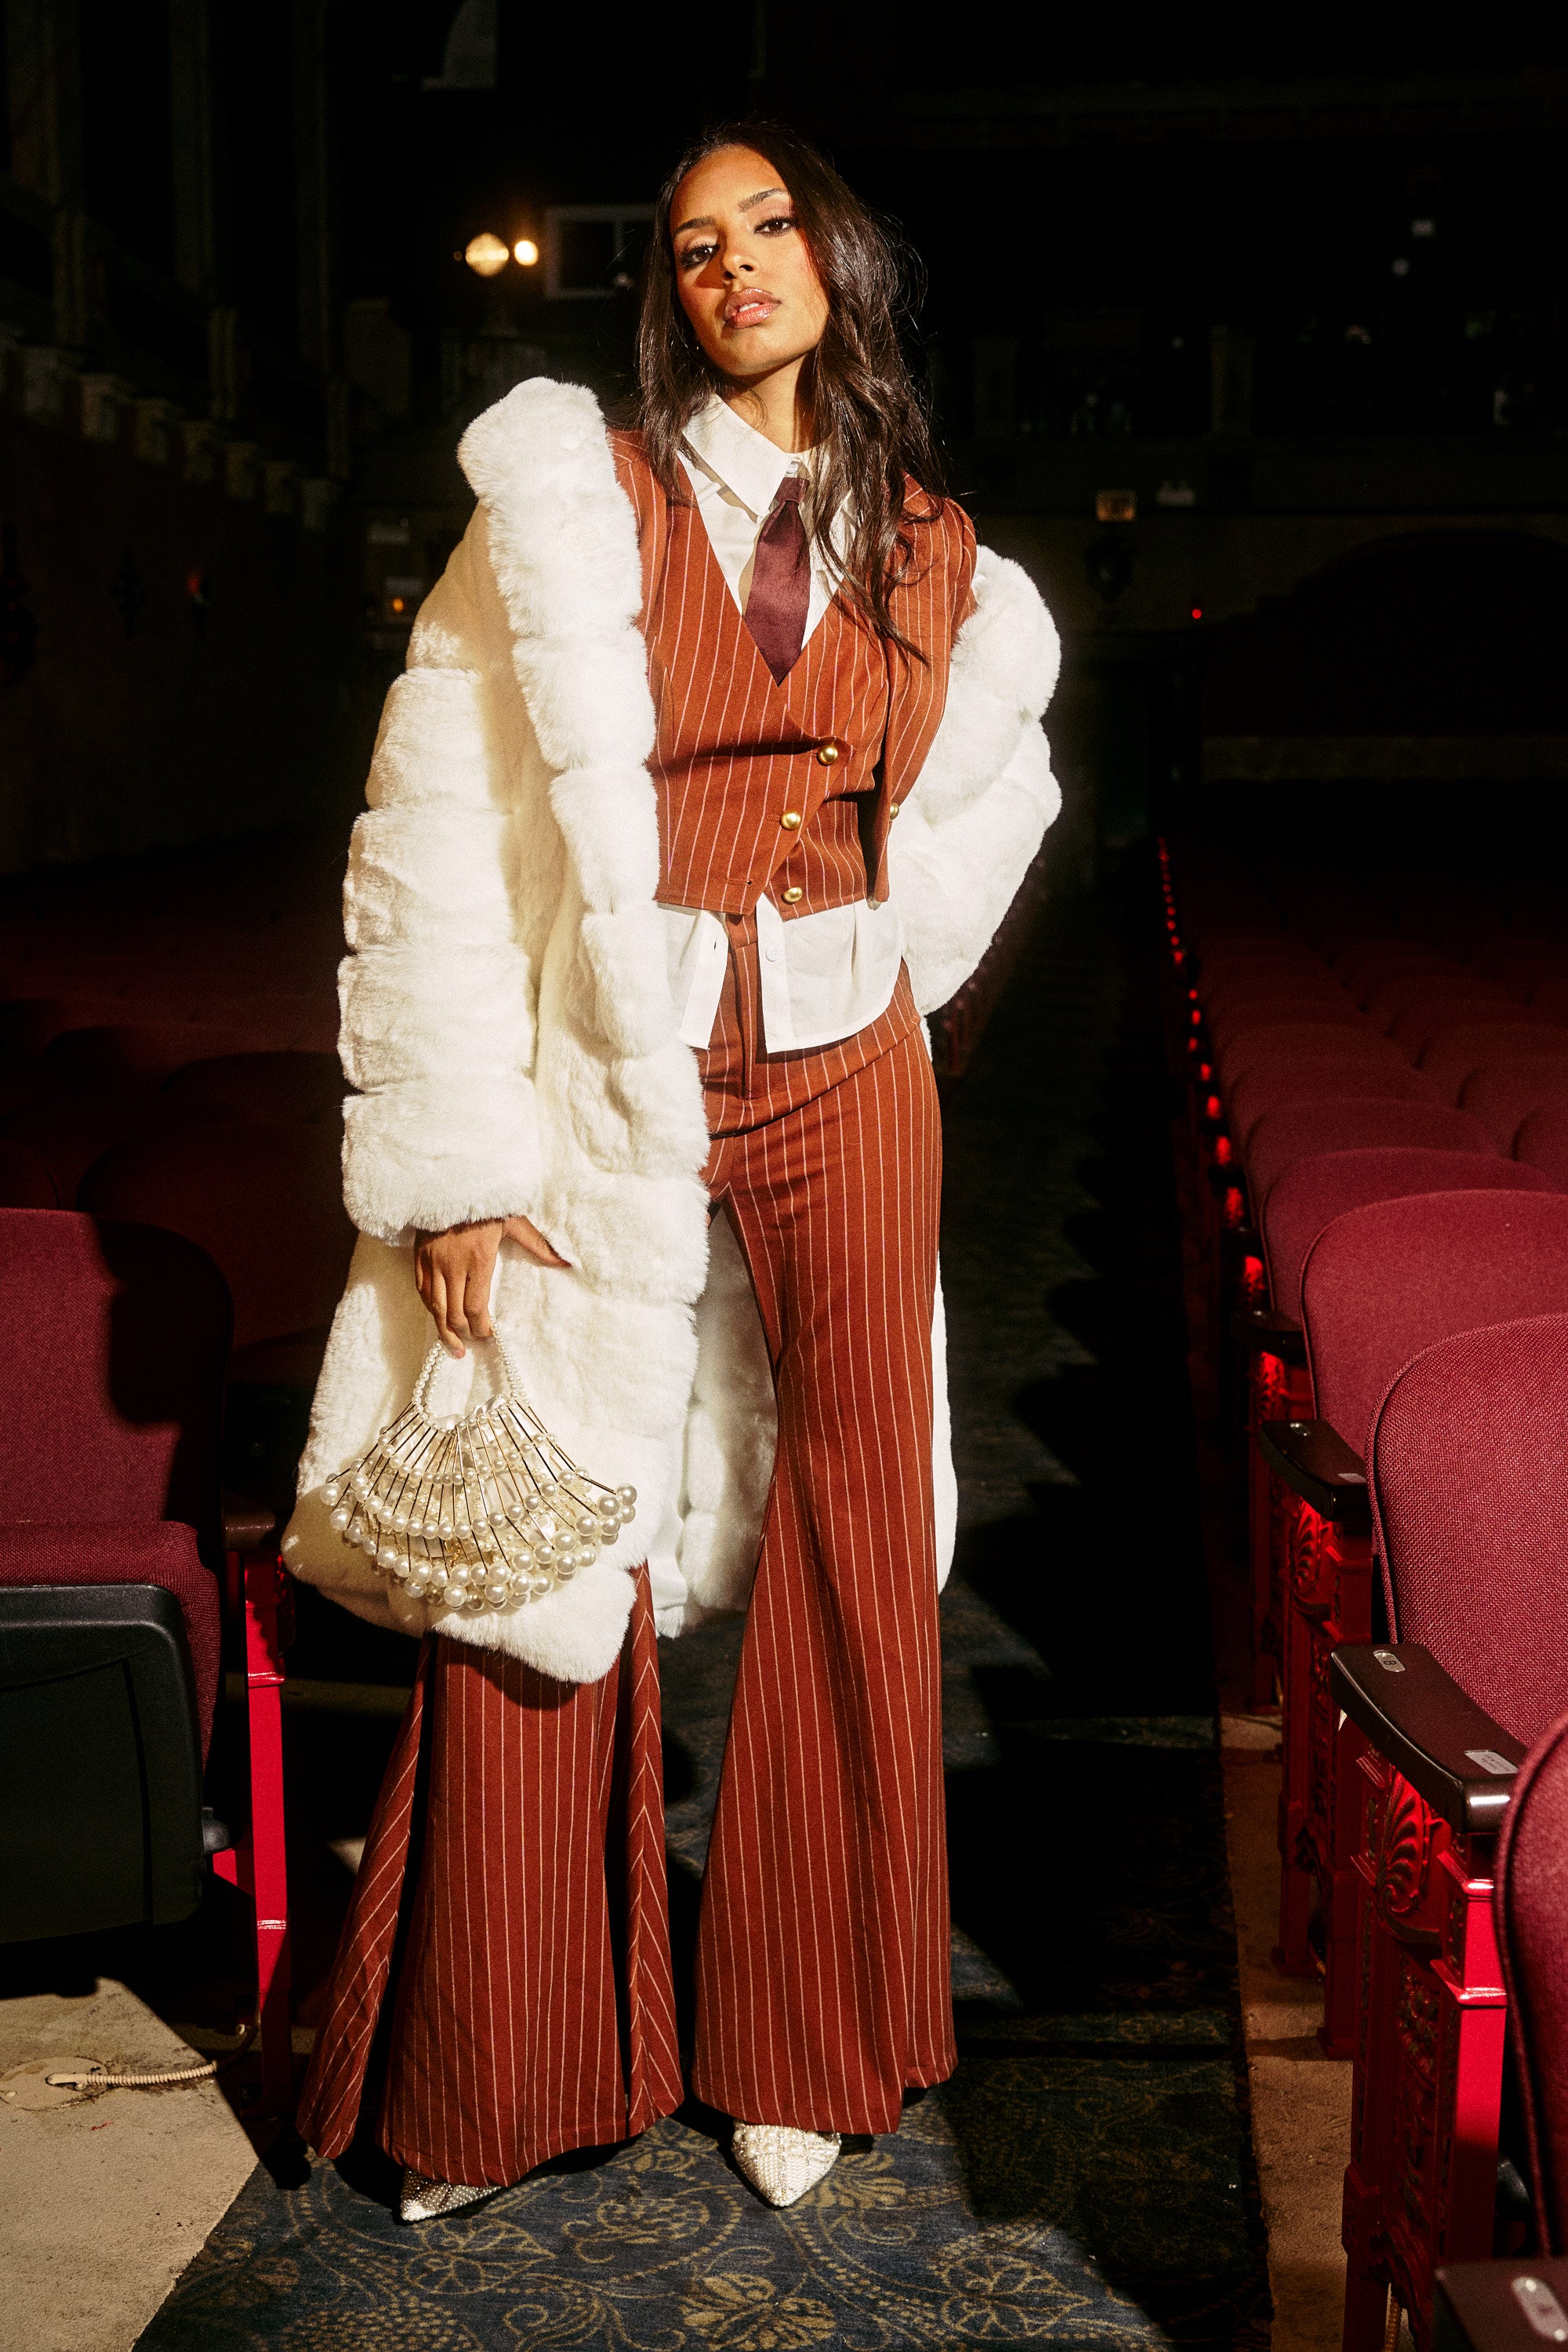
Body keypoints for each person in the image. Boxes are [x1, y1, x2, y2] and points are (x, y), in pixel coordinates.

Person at [288, 120, 1061, 2220]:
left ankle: (809, 2039)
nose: (735, 265)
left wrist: (899, 972)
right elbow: (432, 821)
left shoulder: (935, 546)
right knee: (548, 1535)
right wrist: (449, 1164)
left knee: (856, 1518)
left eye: (772, 226)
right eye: (697, 245)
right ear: (669, 292)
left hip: (847, 1078)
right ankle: (506, 2062)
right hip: (604, 1069)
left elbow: (987, 790)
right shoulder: (573, 503)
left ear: (842, 258)